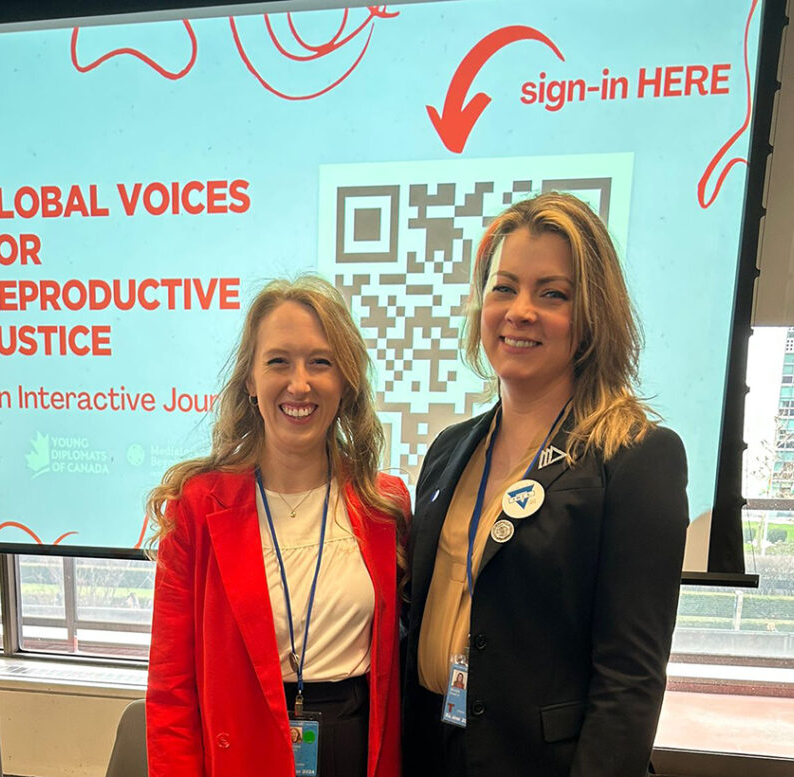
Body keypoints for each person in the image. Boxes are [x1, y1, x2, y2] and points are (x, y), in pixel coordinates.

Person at [402, 193, 688, 777]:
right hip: (435, 747)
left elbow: (630, 677)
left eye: (551, 293)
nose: (520, 311)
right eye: (503, 287)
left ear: (591, 314)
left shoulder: (636, 457)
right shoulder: (449, 449)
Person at [146, 276, 409, 777]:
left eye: (321, 362)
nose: (300, 384)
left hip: (357, 751)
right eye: (278, 361)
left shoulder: (385, 505)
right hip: (243, 750)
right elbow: (171, 691)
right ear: (250, 380)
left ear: (346, 379)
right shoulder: (198, 508)